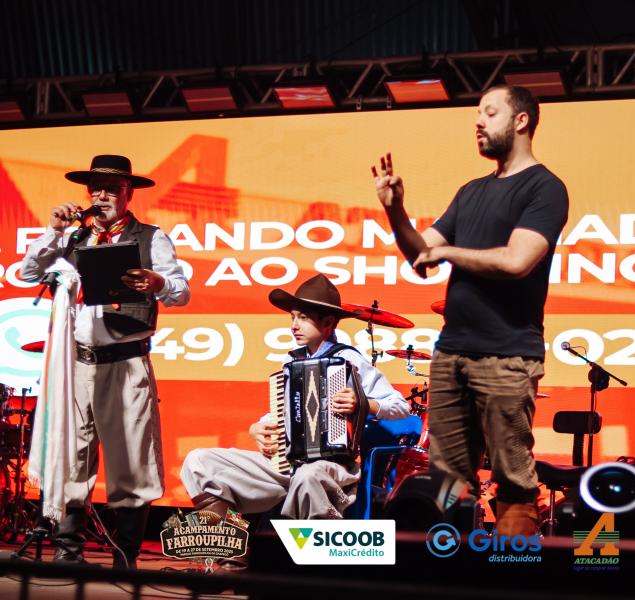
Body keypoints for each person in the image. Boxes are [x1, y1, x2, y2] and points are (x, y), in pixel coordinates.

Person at [372, 85, 568, 536]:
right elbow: (421, 255)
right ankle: (446, 563)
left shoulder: (545, 187)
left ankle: (514, 570)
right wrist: (396, 212)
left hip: (506, 356)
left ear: (521, 121)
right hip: (452, 353)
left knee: (512, 479)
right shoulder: (471, 191)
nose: (478, 122)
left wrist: (448, 253)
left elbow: (517, 261)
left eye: (490, 113)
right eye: (478, 114)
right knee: (445, 479)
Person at [20, 154, 191, 567]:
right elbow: (27, 274)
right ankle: (68, 551)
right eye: (95, 187)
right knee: (72, 453)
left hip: (125, 361)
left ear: (128, 193)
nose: (102, 195)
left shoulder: (151, 237)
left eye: (112, 188)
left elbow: (181, 292)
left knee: (132, 458)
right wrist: (53, 231)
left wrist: (158, 282)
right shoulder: (73, 238)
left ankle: (125, 557)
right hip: (75, 364)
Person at [180, 274, 409, 527]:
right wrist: (258, 427)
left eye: (303, 318)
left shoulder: (349, 360)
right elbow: (284, 411)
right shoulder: (292, 362)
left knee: (307, 476)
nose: (294, 325)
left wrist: (363, 403)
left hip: (331, 467)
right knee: (199, 460)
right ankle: (228, 543)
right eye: (292, 317)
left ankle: (308, 549)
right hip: (287, 465)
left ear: (328, 322)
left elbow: (400, 406)